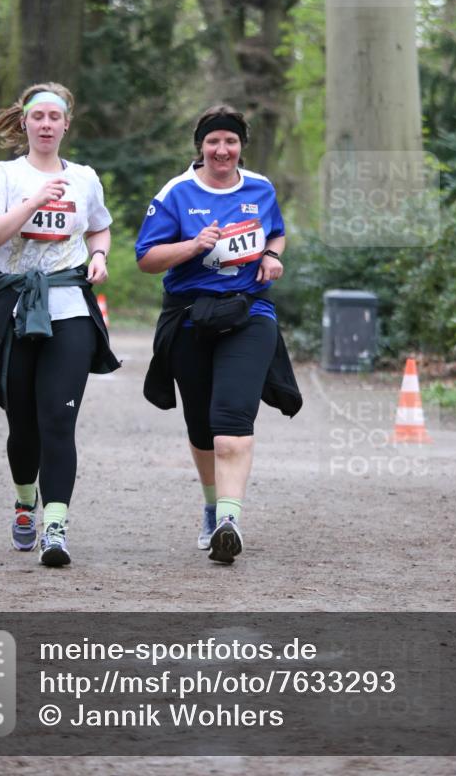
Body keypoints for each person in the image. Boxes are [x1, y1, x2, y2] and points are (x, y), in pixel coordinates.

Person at [135, 104, 302, 565]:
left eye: (230, 141)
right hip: (190, 317)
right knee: (202, 429)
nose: (222, 149)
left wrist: (271, 254)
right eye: (213, 141)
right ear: (201, 147)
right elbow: (146, 259)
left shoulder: (261, 188)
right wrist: (193, 245)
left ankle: (229, 520)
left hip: (250, 313)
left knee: (231, 423)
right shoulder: (176, 193)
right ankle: (211, 506)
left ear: (241, 147)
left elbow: (277, 234)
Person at [0, 82, 120, 567]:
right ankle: (24, 501)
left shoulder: (85, 178)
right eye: (39, 117)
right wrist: (32, 201)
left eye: (56, 116)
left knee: (58, 420)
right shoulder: (3, 176)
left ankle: (55, 527)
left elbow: (99, 225)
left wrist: (98, 255)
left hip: (69, 305)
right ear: (26, 123)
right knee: (23, 424)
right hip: (14, 308)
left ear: (66, 124)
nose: (47, 124)